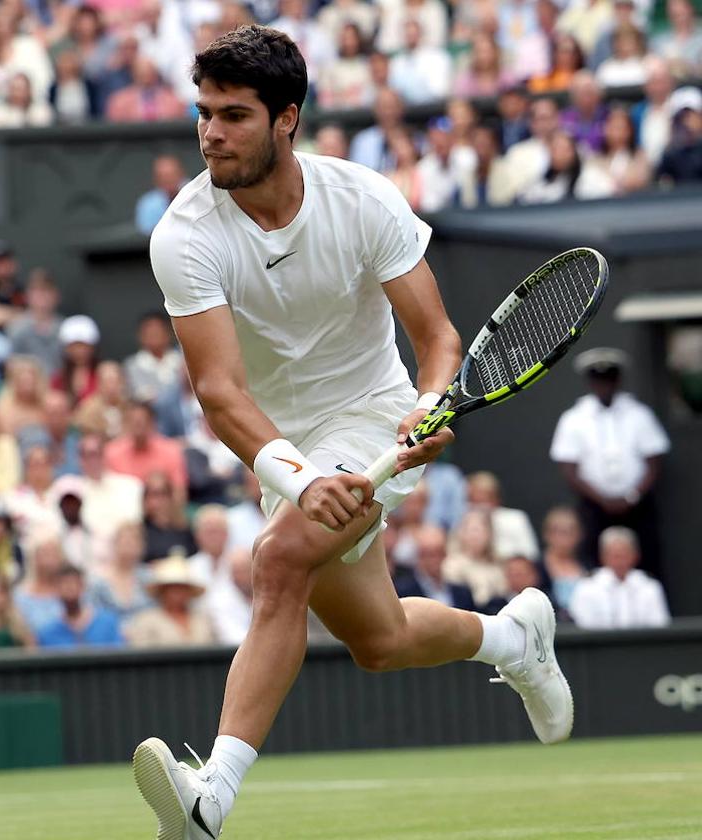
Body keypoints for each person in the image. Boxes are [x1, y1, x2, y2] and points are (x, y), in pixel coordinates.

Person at [134, 28, 572, 838]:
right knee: (380, 638)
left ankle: (210, 798)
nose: (210, 135)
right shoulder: (184, 236)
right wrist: (299, 479)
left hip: (373, 413)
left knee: (277, 558)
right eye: (203, 114)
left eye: (233, 116)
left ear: (286, 119)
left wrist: (432, 402)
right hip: (285, 447)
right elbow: (222, 395)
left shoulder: (363, 199)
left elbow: (437, 336)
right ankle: (514, 637)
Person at [550, 348, 669, 573]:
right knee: (594, 563)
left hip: (638, 505)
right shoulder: (574, 418)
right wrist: (602, 499)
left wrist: (631, 496)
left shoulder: (639, 413)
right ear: (591, 382)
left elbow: (654, 461)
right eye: (599, 380)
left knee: (647, 561)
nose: (604, 385)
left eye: (609, 379)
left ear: (618, 380)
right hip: (594, 506)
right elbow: (568, 468)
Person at [568, 527, 670, 629]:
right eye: (615, 556)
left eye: (624, 555)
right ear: (603, 556)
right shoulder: (587, 586)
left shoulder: (649, 586)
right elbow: (581, 626)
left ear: (636, 555)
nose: (620, 561)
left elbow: (660, 625)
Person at [104, 402, 188, 494]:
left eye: (141, 422)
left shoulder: (171, 452)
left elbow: (179, 492)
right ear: (126, 424)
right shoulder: (111, 453)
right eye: (134, 422)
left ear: (152, 423)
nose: (138, 428)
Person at [36, 565, 125, 648]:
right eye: (63, 585)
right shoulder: (48, 633)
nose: (69, 589)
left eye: (73, 584)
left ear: (83, 587)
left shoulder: (107, 623)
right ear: (55, 590)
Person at [6, 270, 64, 377]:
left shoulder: (65, 328)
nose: (41, 296)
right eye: (36, 291)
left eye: (46, 290)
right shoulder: (17, 327)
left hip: (59, 387)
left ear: (56, 295)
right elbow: (11, 365)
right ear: (27, 296)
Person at [125, 311, 183, 406]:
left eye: (158, 331)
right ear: (140, 336)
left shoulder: (182, 362)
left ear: (169, 333)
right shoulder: (131, 366)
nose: (154, 335)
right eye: (149, 332)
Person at [541, 507, 588, 612]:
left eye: (569, 532)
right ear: (546, 534)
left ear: (579, 535)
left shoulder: (588, 567)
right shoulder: (536, 568)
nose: (563, 539)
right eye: (557, 532)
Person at [206, 547, 255, 645]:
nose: (241, 576)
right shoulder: (218, 600)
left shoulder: (266, 595)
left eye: (245, 569)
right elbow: (231, 637)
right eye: (237, 571)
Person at [0, 355, 48, 436]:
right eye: (24, 382)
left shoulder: (48, 404)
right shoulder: (3, 408)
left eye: (30, 382)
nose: (27, 387)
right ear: (14, 383)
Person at [136, 156, 188, 235]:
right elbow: (146, 232)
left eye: (172, 175)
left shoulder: (197, 194)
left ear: (181, 174)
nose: (168, 180)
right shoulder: (147, 203)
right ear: (156, 179)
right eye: (164, 176)